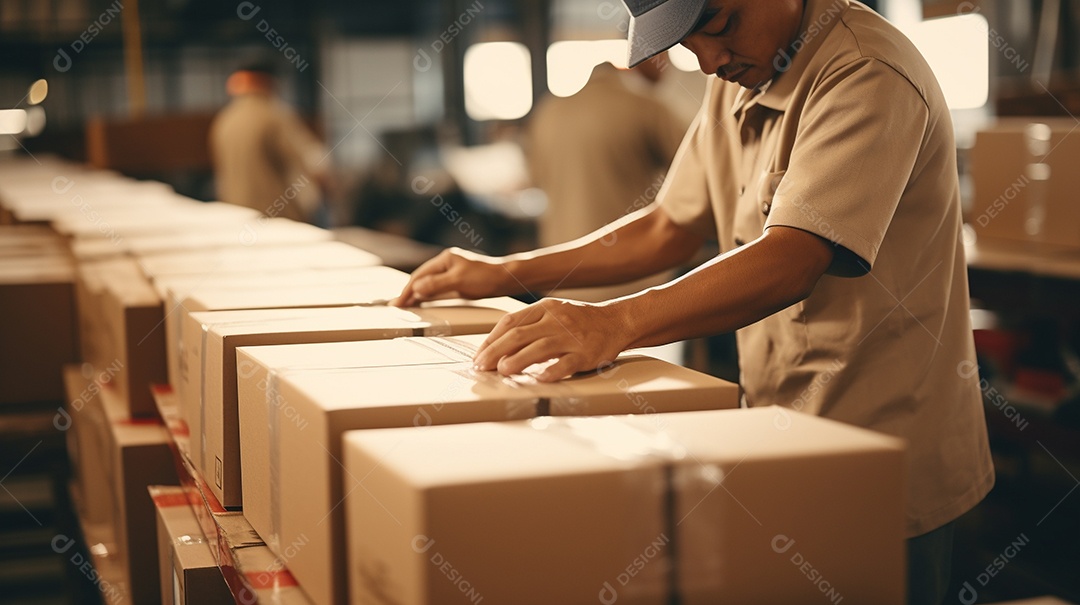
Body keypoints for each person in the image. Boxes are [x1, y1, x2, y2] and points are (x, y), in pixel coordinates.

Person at [394, 1, 994, 603]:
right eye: (686, 42)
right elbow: (668, 227)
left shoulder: (865, 72)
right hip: (779, 427)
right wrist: (507, 271)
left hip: (882, 441)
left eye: (720, 25)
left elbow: (793, 258)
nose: (707, 61)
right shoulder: (741, 75)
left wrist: (614, 321)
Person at [527, 56, 687, 302]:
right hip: (631, 284)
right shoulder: (646, 107)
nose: (668, 66)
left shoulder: (548, 112)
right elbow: (697, 170)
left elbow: (537, 179)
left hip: (562, 280)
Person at [209, 60, 328, 223]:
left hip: (238, 218)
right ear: (270, 82)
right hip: (277, 219)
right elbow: (314, 163)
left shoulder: (224, 120)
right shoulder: (274, 116)